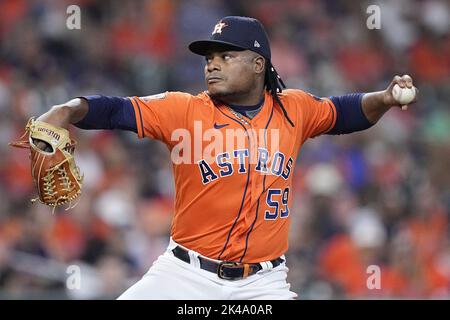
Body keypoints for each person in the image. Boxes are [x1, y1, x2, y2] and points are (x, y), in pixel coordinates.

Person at [34, 16, 417, 299]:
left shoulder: (293, 110)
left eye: (224, 55)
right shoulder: (183, 110)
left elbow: (344, 112)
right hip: (184, 275)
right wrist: (68, 110)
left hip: (262, 286)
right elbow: (115, 109)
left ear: (258, 64)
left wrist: (384, 99)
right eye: (208, 58)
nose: (211, 64)